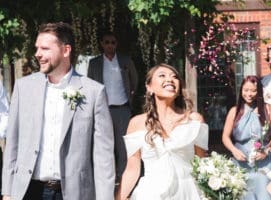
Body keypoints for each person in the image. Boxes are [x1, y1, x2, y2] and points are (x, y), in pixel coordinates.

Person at [1, 22, 115, 200]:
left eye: (45, 48)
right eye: (37, 48)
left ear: (66, 50)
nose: (38, 54)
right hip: (28, 191)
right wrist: (7, 192)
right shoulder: (24, 88)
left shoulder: (93, 92)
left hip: (74, 193)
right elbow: (13, 143)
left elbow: (103, 157)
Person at [115, 63, 209, 200]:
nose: (170, 79)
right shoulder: (137, 123)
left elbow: (202, 163)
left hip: (188, 193)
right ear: (149, 87)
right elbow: (132, 169)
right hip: (150, 194)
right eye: (162, 75)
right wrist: (119, 198)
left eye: (174, 77)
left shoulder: (194, 120)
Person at [87, 31, 138, 183]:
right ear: (102, 44)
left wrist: (130, 98)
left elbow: (134, 80)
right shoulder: (94, 63)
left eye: (113, 42)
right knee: (105, 145)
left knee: (123, 145)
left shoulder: (125, 61)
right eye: (107, 42)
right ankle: (107, 178)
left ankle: (123, 177)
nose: (110, 45)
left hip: (122, 109)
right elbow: (89, 85)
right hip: (103, 109)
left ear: (116, 44)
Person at [222, 75, 271, 200]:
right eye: (246, 90)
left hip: (265, 162)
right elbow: (225, 137)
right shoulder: (234, 111)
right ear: (241, 90)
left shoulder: (268, 109)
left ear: (259, 91)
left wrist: (266, 151)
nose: (249, 94)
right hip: (241, 161)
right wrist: (234, 150)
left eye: (253, 90)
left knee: (264, 188)